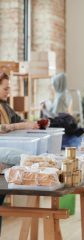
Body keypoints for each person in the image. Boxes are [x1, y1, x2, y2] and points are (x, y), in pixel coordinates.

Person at [0, 71, 39, 235]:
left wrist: (33, 124)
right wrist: (17, 126)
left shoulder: (4, 105)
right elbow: (4, 128)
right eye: (5, 89)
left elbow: (18, 121)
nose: (8, 93)